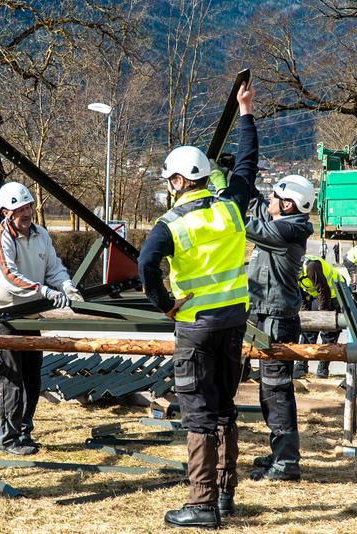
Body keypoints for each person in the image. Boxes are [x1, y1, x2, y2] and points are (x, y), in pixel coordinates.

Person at [138, 82, 256, 529]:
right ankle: (226, 494)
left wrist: (166, 305)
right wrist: (245, 113)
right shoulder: (231, 209)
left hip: (194, 325)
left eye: (170, 179)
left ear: (179, 181)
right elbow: (247, 164)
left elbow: (147, 266)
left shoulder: (170, 223)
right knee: (225, 405)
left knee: (199, 414)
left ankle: (202, 503)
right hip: (233, 322)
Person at [0, 182, 83, 456]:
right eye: (19, 209)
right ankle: (7, 438)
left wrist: (65, 285)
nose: (26, 213)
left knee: (31, 377)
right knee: (10, 378)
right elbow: (9, 277)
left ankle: (24, 432)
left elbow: (53, 268)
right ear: (6, 212)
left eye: (28, 207)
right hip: (3, 314)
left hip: (29, 315)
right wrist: (43, 291)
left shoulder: (41, 235)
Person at [245, 173, 315, 482]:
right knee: (267, 390)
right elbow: (256, 205)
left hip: (278, 321)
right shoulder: (283, 221)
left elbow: (251, 226)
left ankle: (286, 463)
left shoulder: (290, 228)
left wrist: (218, 211)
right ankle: (279, 451)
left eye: (275, 197)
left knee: (276, 391)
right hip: (263, 314)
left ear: (288, 204)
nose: (269, 200)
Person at [293, 254, 343, 379]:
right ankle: (301, 364)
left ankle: (323, 367)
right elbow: (300, 294)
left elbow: (324, 290)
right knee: (308, 328)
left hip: (335, 293)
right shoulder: (292, 271)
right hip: (318, 294)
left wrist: (323, 315)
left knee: (328, 331)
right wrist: (304, 312)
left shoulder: (311, 266)